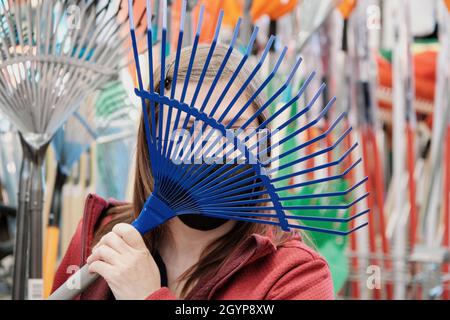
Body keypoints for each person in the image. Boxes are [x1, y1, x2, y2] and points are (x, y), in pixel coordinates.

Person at [52, 44, 334, 300]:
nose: (211, 149)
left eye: (231, 130)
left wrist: (148, 296)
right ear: (152, 147)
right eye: (186, 131)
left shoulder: (297, 277)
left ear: (264, 147)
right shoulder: (99, 236)